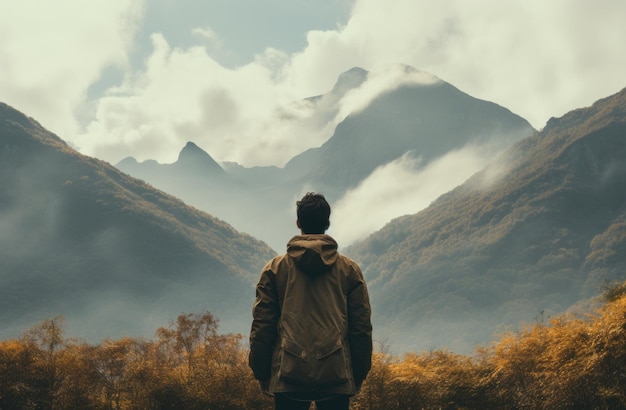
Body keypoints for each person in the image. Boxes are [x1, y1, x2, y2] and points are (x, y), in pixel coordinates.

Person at [249, 192, 373, 410]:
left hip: (288, 374)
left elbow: (262, 327)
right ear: (327, 223)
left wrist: (261, 372)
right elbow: (361, 328)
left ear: (298, 223)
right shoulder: (349, 271)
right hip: (336, 376)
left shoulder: (274, 270)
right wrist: (359, 374)